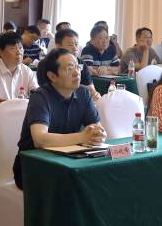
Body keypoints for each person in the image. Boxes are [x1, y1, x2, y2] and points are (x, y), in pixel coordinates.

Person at [14, 49, 104, 189]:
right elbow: (40, 140)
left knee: (101, 178)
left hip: (69, 161)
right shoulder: (40, 97)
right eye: (69, 69)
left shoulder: (83, 93)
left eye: (77, 67)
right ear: (52, 76)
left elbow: (97, 128)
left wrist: (99, 134)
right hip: (33, 167)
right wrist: (81, 137)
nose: (76, 73)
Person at [0, 32, 38, 109]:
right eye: (13, 49)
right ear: (1, 52)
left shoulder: (27, 71)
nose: (19, 52)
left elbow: (37, 93)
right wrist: (14, 105)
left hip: (21, 114)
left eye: (20, 48)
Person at [54, 28, 101, 101]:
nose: (75, 48)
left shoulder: (81, 63)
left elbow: (91, 89)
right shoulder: (52, 63)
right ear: (58, 47)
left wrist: (95, 94)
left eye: (76, 44)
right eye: (70, 45)